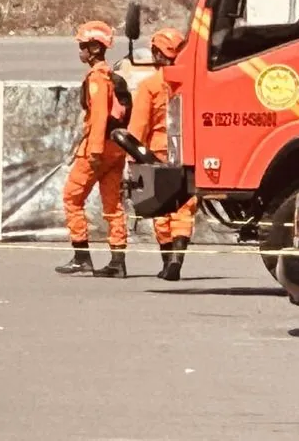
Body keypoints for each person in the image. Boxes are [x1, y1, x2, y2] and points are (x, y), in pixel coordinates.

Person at [55, 21, 129, 277]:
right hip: (116, 148)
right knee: (113, 204)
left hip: (97, 149)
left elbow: (98, 116)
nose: (80, 51)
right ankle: (118, 261)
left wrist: (95, 152)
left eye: (84, 46)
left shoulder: (98, 78)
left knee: (72, 197)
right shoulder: (110, 76)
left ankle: (81, 256)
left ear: (95, 48)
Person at [127, 27, 196, 281]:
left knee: (161, 207)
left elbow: (138, 127)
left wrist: (132, 160)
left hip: (156, 153)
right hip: (188, 150)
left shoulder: (150, 86)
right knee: (184, 207)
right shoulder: (189, 83)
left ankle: (168, 262)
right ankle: (178, 259)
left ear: (156, 53)